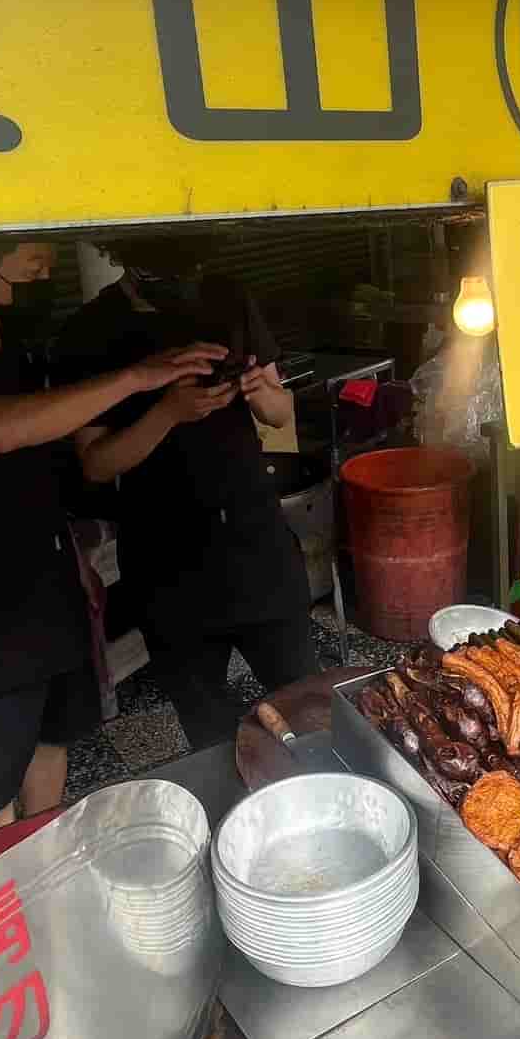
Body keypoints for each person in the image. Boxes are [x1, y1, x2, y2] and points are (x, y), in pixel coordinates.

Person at [0, 237, 221, 840]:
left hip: (48, 583)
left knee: (53, 736)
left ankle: (41, 858)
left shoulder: (12, 340)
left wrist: (72, 558)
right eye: (36, 265)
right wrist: (133, 378)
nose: (48, 275)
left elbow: (43, 467)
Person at [51, 237, 318, 752]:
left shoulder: (227, 297)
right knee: (209, 727)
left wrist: (261, 391)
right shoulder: (89, 331)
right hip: (166, 562)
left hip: (254, 538)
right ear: (124, 255)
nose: (183, 288)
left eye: (193, 271)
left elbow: (281, 413)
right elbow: (97, 463)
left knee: (307, 703)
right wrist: (169, 411)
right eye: (162, 279)